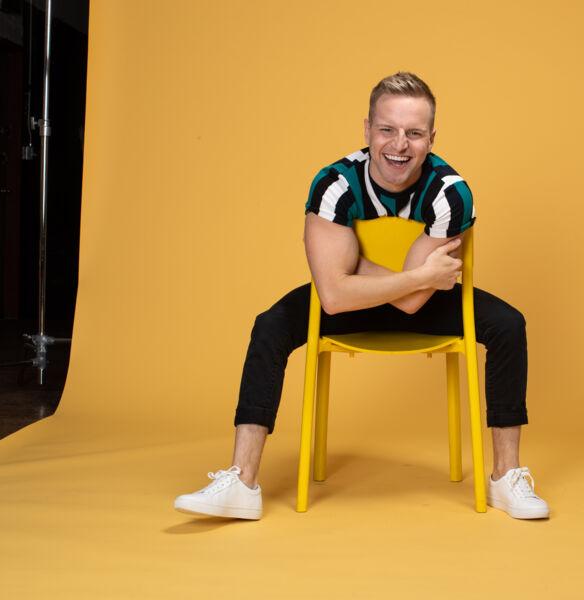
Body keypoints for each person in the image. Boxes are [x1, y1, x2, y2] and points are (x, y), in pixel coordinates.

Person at [174, 72, 549, 520]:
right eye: (387, 129)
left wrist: (354, 266)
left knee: (508, 324)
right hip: (350, 305)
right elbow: (334, 298)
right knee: (270, 325)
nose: (399, 144)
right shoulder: (334, 184)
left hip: (423, 306)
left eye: (414, 133)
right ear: (367, 128)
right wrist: (413, 275)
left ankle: (505, 477)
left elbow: (411, 304)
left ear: (431, 138)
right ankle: (242, 480)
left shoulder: (451, 194)